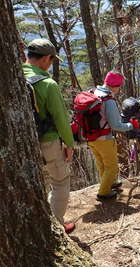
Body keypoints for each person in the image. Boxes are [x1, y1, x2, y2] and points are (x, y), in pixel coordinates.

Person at [23, 39, 75, 233]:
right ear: (45, 58)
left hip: (23, 144)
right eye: (52, 60)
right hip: (48, 142)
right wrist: (69, 144)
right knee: (60, 181)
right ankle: (56, 227)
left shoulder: (13, 75)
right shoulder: (47, 84)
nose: (51, 64)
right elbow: (61, 118)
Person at [88, 71, 135, 200]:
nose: (119, 89)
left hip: (90, 137)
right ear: (114, 86)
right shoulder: (108, 100)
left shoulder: (93, 93)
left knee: (101, 164)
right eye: (119, 86)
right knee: (112, 167)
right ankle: (103, 192)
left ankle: (109, 184)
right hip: (104, 138)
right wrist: (131, 125)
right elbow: (116, 125)